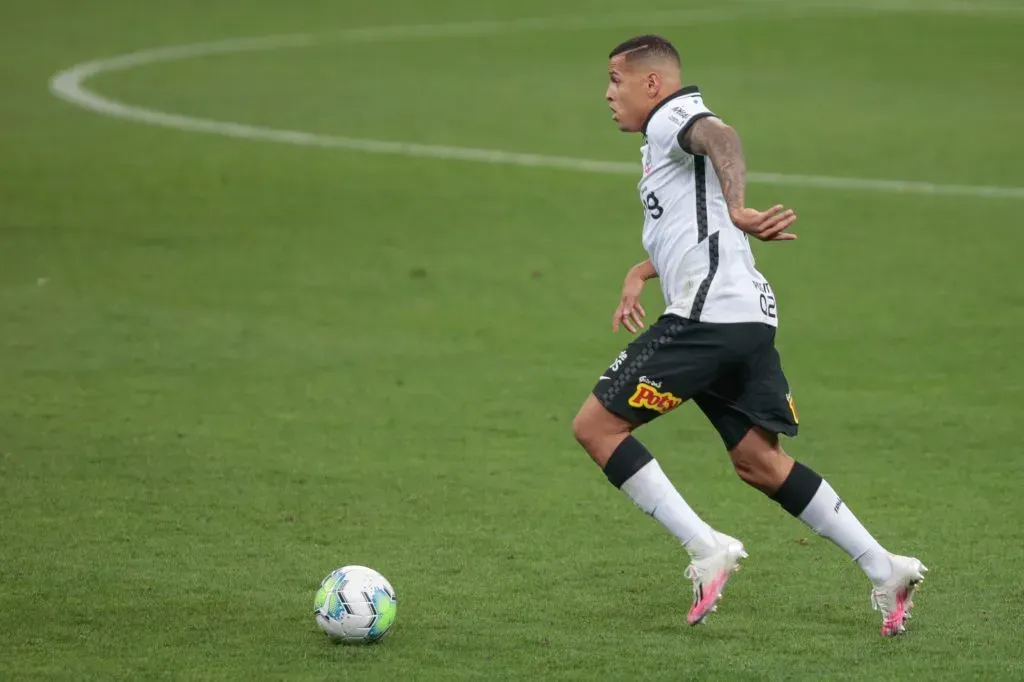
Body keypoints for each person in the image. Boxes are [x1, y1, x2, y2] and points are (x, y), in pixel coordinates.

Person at [571, 34, 926, 636]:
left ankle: (706, 547)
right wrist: (640, 270)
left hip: (709, 315)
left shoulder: (674, 117)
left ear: (652, 83)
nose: (608, 93)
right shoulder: (660, 141)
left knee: (596, 426)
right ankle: (884, 566)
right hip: (746, 316)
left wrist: (738, 203)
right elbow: (693, 227)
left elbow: (722, 137)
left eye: (615, 79)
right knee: (761, 462)